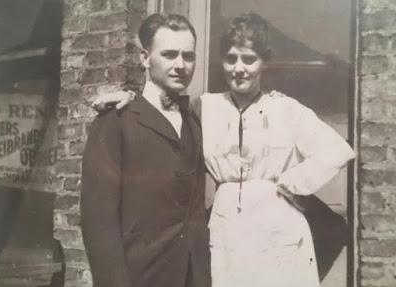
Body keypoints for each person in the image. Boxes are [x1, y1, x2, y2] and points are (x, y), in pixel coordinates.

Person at [94, 13, 355, 287]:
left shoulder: (286, 109)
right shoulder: (205, 107)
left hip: (278, 229)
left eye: (249, 59)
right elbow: (161, 108)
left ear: (264, 62)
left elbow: (337, 150)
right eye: (231, 59)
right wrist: (130, 96)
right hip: (226, 229)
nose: (239, 68)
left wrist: (292, 183)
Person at [81, 13, 211, 287]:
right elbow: (98, 222)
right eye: (169, 54)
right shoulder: (115, 121)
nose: (180, 65)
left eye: (188, 56)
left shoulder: (193, 121)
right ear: (144, 58)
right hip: (141, 276)